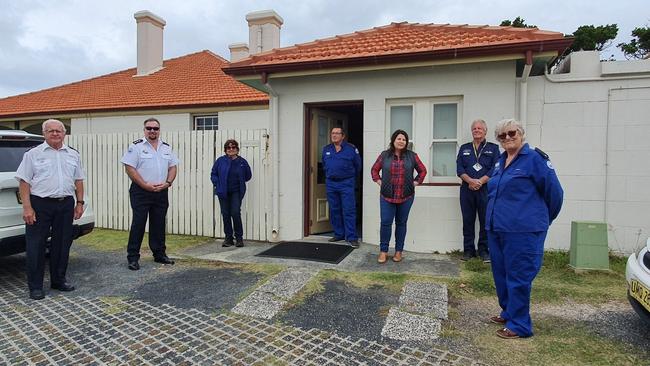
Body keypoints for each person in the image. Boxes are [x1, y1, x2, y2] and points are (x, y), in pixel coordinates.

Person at [485, 119, 563, 339]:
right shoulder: (500, 162)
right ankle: (509, 311)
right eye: (502, 136)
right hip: (497, 228)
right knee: (501, 274)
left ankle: (520, 325)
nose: (508, 138)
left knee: (519, 276)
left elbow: (555, 194)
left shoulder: (535, 159)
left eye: (511, 133)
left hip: (523, 231)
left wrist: (540, 220)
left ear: (521, 134)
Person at [15, 119, 86, 300]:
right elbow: (24, 182)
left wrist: (79, 203)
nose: (55, 134)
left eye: (58, 131)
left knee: (62, 244)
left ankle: (58, 280)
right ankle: (36, 287)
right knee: (36, 246)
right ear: (44, 133)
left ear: (64, 134)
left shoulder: (73, 154)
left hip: (65, 204)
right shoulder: (33, 154)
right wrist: (27, 208)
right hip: (40, 204)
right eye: (51, 131)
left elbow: (78, 180)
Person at [121, 118, 178, 270]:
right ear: (144, 130)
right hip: (141, 192)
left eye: (155, 128)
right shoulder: (136, 146)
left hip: (161, 191)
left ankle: (159, 254)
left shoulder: (166, 147)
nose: (152, 131)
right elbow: (129, 168)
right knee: (138, 224)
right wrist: (145, 185)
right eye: (149, 128)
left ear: (159, 130)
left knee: (158, 224)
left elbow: (173, 167)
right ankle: (133, 258)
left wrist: (168, 183)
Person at [371, 129, 427, 264]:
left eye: (404, 139)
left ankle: (398, 251)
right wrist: (380, 182)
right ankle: (383, 251)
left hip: (406, 197)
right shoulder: (384, 155)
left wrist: (415, 182)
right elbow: (374, 170)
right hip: (387, 197)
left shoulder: (412, 156)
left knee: (401, 224)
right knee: (385, 223)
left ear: (406, 142)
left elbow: (423, 171)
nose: (401, 141)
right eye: (399, 139)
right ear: (393, 140)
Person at [456, 119, 500, 262]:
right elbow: (459, 168)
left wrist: (480, 181)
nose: (477, 130)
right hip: (467, 189)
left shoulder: (493, 148)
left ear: (485, 131)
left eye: (480, 128)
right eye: (474, 128)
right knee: (468, 220)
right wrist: (470, 181)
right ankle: (468, 251)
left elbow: (495, 168)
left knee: (484, 221)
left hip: (485, 189)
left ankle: (483, 251)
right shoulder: (464, 148)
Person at [322, 127, 362, 248]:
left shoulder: (351, 149)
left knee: (349, 210)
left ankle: (351, 237)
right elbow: (324, 165)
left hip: (346, 183)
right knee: (334, 210)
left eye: (337, 133)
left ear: (342, 136)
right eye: (332, 133)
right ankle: (339, 234)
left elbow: (358, 166)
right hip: (331, 183)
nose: (334, 135)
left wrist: (349, 178)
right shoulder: (326, 149)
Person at [210, 139, 252, 247]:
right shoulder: (220, 161)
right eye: (228, 148)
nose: (231, 149)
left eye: (233, 147)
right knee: (226, 214)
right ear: (225, 150)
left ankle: (239, 238)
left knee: (235, 213)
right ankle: (228, 238)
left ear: (237, 149)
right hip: (222, 191)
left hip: (236, 192)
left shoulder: (242, 162)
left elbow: (248, 176)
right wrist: (217, 183)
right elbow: (213, 174)